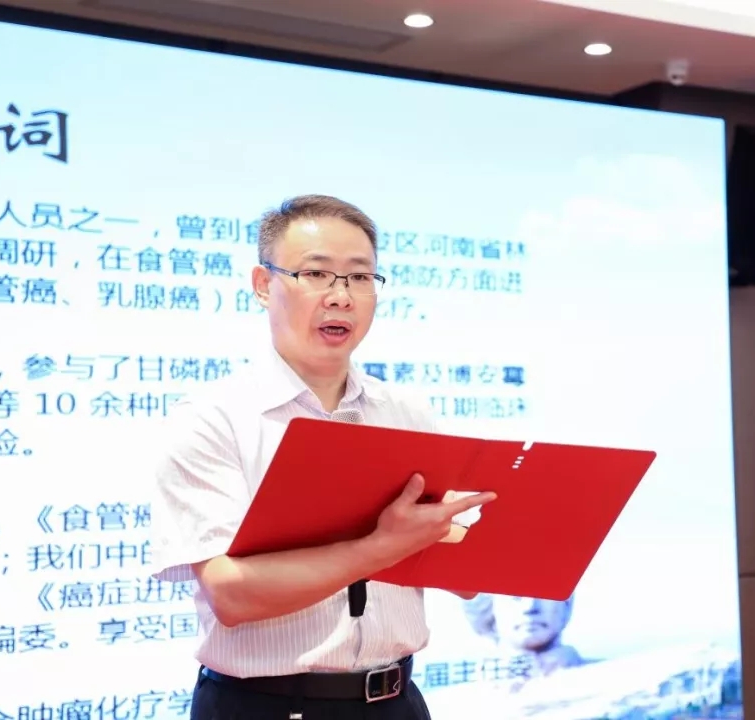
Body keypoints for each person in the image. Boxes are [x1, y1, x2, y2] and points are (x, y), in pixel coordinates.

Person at [149, 194, 496, 720]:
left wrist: (495, 536)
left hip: (398, 701)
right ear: (263, 284)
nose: (341, 296)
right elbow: (232, 597)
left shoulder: (406, 411)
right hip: (266, 706)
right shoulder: (213, 417)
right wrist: (381, 546)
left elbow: (465, 578)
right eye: (316, 274)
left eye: (360, 277)